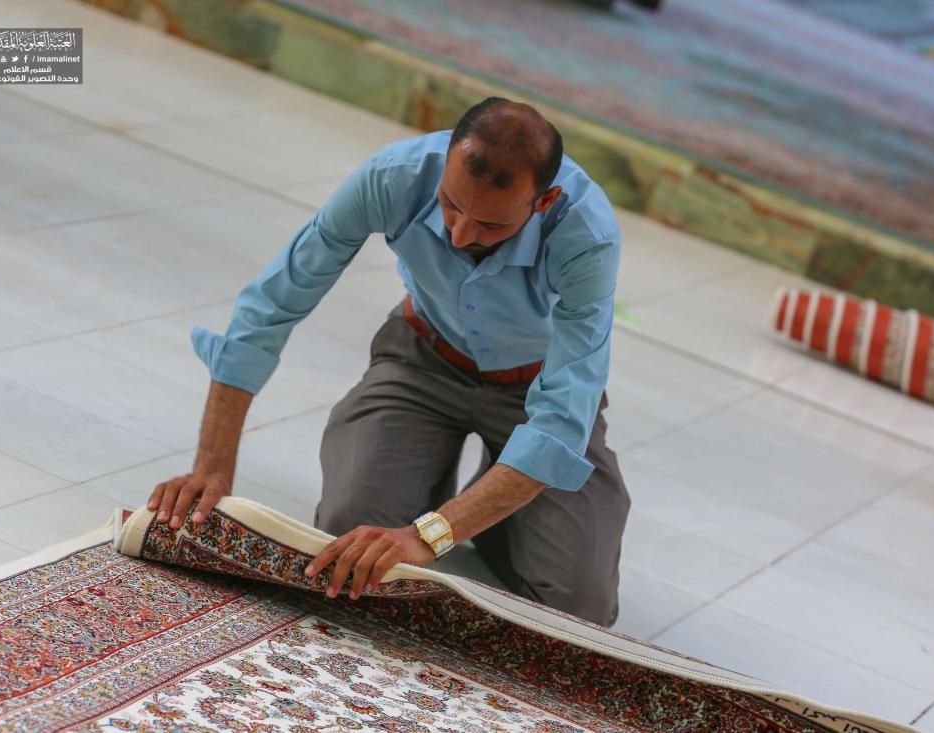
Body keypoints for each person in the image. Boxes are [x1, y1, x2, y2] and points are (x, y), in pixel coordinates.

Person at [145, 97, 630, 627]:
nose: (460, 234)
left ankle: (498, 502)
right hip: (421, 363)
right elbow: (276, 300)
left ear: (544, 202)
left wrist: (431, 535)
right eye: (450, 204)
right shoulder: (394, 176)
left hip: (532, 396)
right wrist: (212, 464)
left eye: (490, 225)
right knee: (349, 540)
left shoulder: (587, 236)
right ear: (445, 158)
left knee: (578, 609)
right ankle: (467, 488)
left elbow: (561, 421)